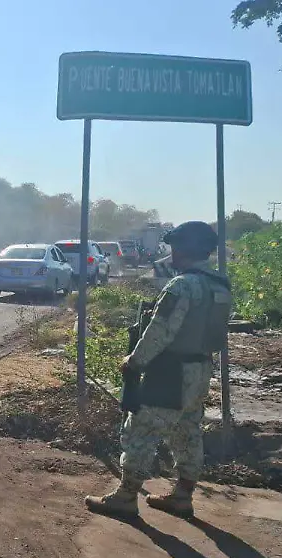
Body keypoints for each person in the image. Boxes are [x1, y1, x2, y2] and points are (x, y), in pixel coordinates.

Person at [86, 220, 232, 519]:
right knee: (188, 432)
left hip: (170, 372)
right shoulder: (220, 285)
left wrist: (135, 361)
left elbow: (160, 330)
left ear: (185, 248)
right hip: (200, 370)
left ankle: (126, 497)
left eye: (175, 248)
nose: (172, 254)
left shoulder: (182, 285)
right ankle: (182, 496)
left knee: (141, 430)